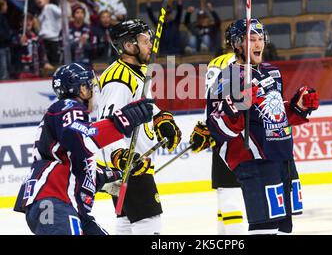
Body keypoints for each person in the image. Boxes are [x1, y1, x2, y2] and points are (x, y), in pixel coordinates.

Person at [205, 18, 319, 234]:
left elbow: (275, 116)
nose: (258, 44)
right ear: (237, 44)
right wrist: (237, 106)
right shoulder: (227, 78)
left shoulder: (272, 72)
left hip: (282, 155)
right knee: (264, 227)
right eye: (251, 39)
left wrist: (298, 107)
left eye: (260, 39)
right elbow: (217, 126)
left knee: (285, 226)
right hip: (254, 160)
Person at [13, 63, 156, 235]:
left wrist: (118, 174)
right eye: (91, 86)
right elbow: (79, 138)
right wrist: (122, 121)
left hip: (69, 207)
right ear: (82, 89)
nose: (94, 92)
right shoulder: (67, 107)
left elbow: (79, 164)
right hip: (52, 201)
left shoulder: (69, 118)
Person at [97, 19, 182, 235]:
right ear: (128, 46)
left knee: (127, 223)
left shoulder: (137, 71)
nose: (151, 46)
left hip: (133, 164)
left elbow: (144, 106)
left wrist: (161, 120)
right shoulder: (119, 78)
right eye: (146, 41)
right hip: (130, 166)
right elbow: (107, 122)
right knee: (149, 221)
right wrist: (120, 157)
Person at [189, 22, 245, 234]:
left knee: (227, 194)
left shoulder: (221, 63)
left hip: (226, 132)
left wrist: (209, 126)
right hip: (236, 134)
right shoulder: (231, 63)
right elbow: (215, 98)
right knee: (229, 194)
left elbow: (212, 101)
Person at [35, 0, 62, 65]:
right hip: (44, 40)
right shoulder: (41, 12)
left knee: (54, 61)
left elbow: (61, 13)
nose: (38, 0)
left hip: (53, 40)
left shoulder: (50, 7)